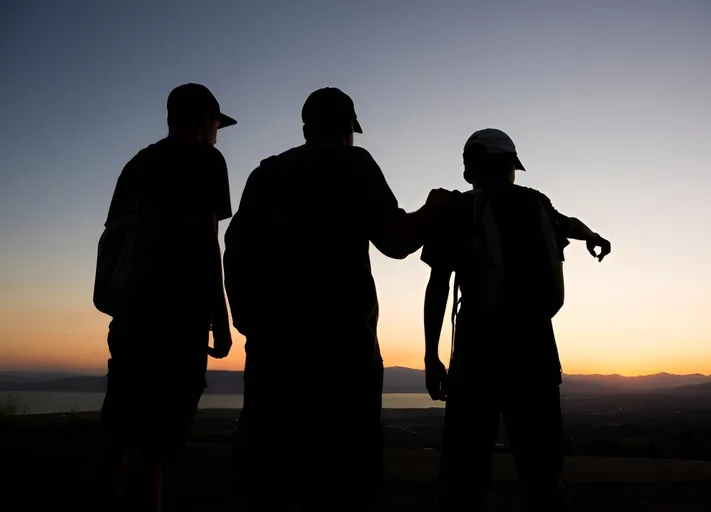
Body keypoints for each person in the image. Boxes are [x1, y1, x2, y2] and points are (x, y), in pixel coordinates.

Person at [223, 87, 454, 511]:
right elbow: (395, 239)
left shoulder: (265, 174)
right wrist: (433, 209)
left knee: (269, 472)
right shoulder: (353, 164)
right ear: (349, 128)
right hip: (343, 351)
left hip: (272, 352)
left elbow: (234, 250)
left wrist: (248, 324)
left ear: (307, 127)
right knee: (346, 475)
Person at [421, 128, 611, 511]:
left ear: (470, 168)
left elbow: (438, 285)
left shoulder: (456, 211)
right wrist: (593, 236)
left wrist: (431, 356)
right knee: (540, 468)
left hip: (477, 352)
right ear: (509, 164)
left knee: (465, 470)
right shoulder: (535, 203)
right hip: (535, 349)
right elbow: (567, 223)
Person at [92, 83, 237, 511]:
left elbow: (114, 236)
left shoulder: (137, 164)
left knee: (120, 427)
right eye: (216, 124)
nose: (217, 134)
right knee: (156, 438)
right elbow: (207, 242)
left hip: (129, 316)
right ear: (208, 119)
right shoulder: (207, 160)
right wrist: (221, 317)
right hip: (178, 318)